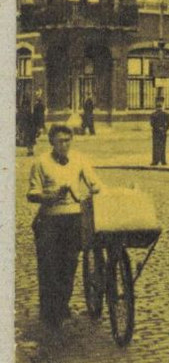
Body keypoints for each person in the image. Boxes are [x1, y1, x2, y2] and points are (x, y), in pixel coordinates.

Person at [27, 123, 102, 329]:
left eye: (68, 140)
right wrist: (51, 196)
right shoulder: (40, 162)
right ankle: (49, 310)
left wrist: (94, 191)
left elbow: (94, 183)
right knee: (49, 265)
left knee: (69, 263)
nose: (65, 144)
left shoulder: (79, 159)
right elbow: (32, 193)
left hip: (73, 219)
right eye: (60, 141)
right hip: (49, 220)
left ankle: (62, 305)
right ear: (52, 142)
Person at [150, 97, 169, 166]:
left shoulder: (153, 114)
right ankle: (163, 160)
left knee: (155, 146)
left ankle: (155, 161)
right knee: (163, 146)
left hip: (156, 132)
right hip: (163, 132)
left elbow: (152, 124)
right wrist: (164, 129)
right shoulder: (166, 114)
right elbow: (168, 124)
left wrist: (158, 128)